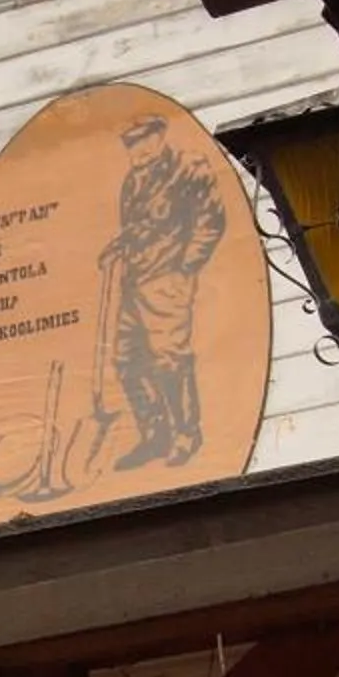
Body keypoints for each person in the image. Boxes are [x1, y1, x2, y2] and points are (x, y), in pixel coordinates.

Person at [99, 113, 231, 469]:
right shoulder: (132, 181)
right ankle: (155, 436)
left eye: (143, 139)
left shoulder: (187, 168)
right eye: (131, 142)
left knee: (170, 359)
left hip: (167, 281)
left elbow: (211, 220)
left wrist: (184, 267)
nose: (137, 148)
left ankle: (187, 435)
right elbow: (138, 225)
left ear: (159, 136)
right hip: (134, 281)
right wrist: (118, 245)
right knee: (127, 361)